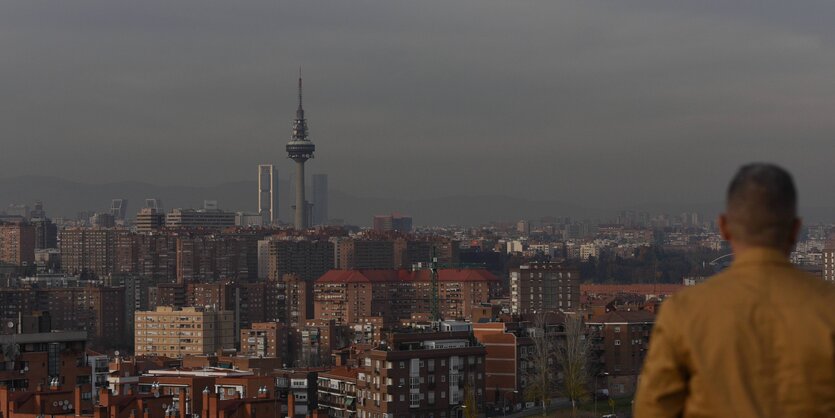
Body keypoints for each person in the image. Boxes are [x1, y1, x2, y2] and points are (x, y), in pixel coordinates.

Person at [634, 163, 835, 417]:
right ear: (796, 229)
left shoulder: (683, 313)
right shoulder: (828, 308)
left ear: (724, 227)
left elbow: (653, 411)